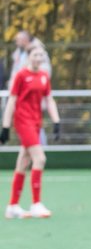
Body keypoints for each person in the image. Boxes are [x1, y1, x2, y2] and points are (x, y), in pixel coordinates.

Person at [2, 45, 60, 219]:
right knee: (40, 158)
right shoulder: (21, 76)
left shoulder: (44, 76)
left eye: (41, 55)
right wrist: (5, 126)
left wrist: (56, 121)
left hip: (36, 122)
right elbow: (12, 101)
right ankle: (36, 204)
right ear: (28, 57)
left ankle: (12, 206)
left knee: (23, 162)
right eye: (35, 55)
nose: (38, 58)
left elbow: (49, 100)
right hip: (23, 121)